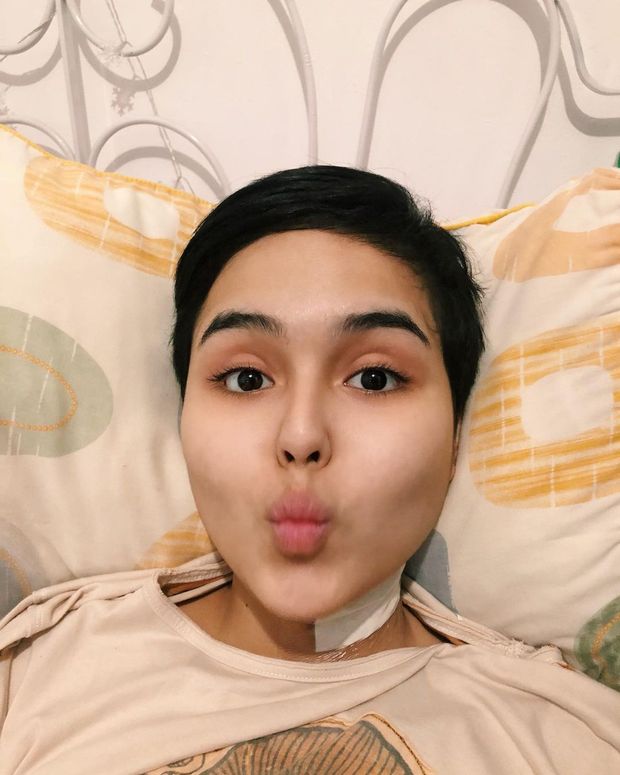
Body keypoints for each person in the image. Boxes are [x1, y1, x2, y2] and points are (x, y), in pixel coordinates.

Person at [0, 166, 618, 774]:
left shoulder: (565, 736)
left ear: (455, 436)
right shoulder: (43, 664)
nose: (300, 437)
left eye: (374, 378)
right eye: (247, 379)